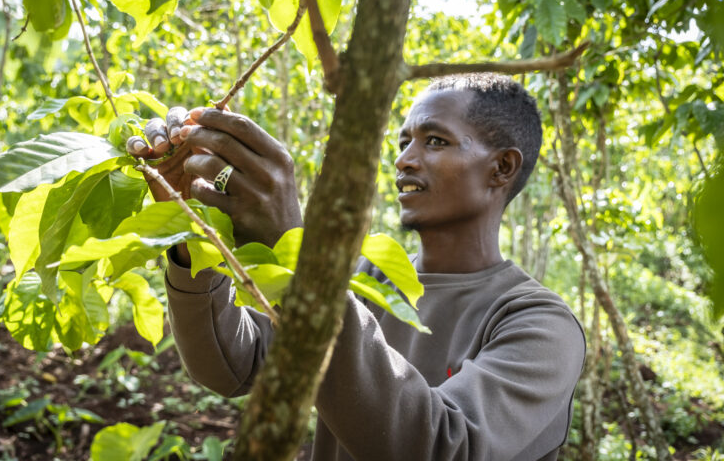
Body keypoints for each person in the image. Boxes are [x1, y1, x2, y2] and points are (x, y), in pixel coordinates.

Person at [128, 73, 586, 460]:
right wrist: (195, 234)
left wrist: (296, 249)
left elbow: (441, 447)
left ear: (502, 167)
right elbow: (233, 365)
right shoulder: (362, 279)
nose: (404, 160)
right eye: (404, 142)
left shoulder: (540, 326)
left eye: (435, 141)